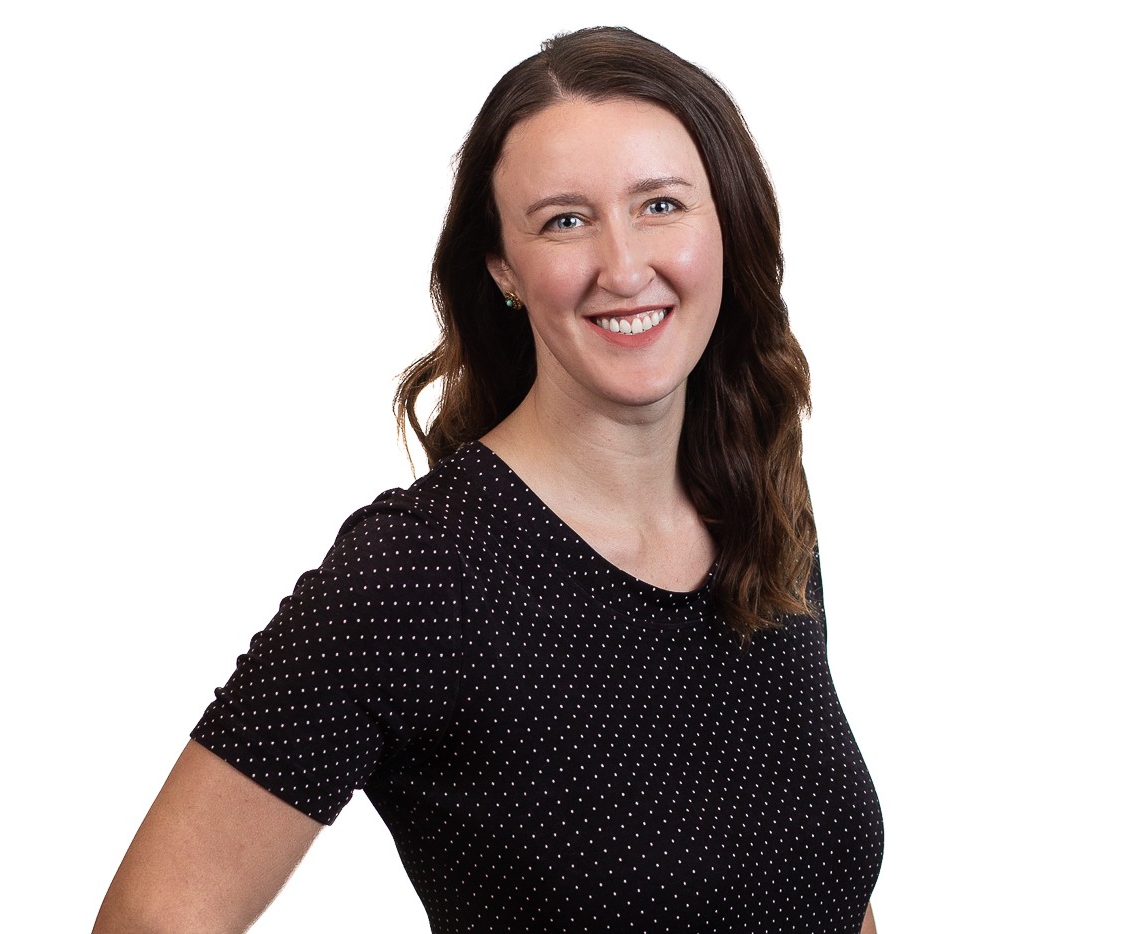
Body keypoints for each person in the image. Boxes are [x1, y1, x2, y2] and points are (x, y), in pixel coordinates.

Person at [94, 26, 883, 934]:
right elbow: (155, 918)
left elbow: (825, 886)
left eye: (660, 205)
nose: (625, 268)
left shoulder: (759, 497)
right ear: (504, 269)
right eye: (565, 220)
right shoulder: (423, 576)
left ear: (727, 225)